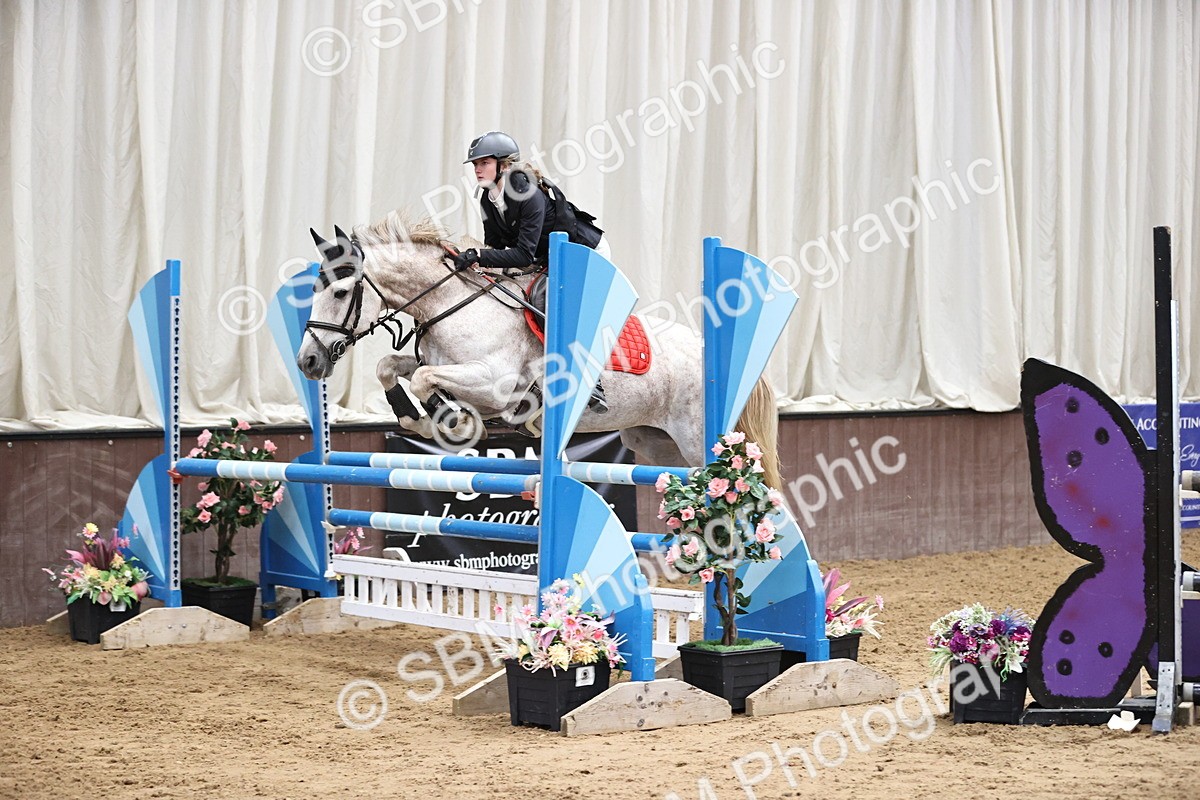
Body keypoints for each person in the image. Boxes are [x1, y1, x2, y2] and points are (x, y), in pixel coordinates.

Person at [457, 131, 609, 412]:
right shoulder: (487, 199)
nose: (477, 169)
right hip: (547, 255)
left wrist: (479, 256)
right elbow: (498, 246)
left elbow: (523, 253)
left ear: (503, 164)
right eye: (475, 164)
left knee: (548, 299)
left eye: (484, 162)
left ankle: (591, 381)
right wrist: (472, 259)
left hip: (583, 252)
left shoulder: (527, 193)